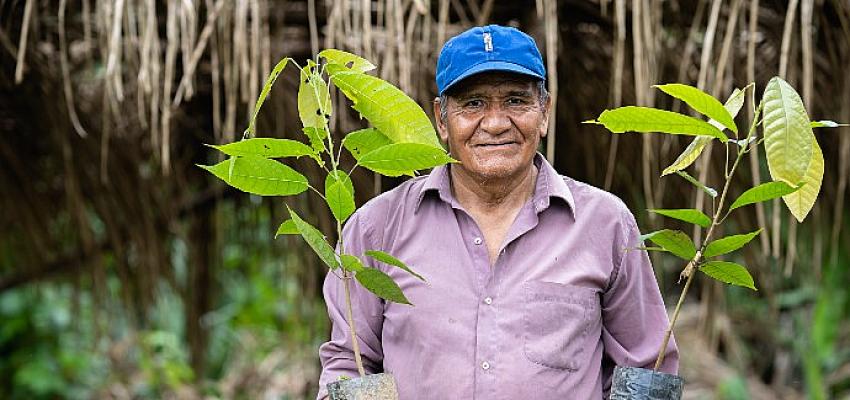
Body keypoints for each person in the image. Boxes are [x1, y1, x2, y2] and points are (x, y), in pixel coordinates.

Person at [317, 25, 678, 399]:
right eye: (473, 103)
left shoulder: (605, 224)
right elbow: (348, 365)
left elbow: (645, 374)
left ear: (544, 113)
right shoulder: (377, 229)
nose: (494, 123)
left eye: (516, 101)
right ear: (441, 119)